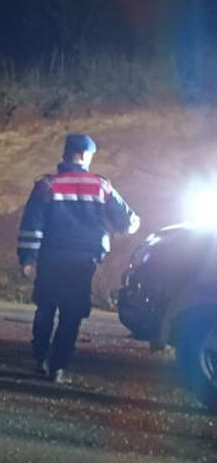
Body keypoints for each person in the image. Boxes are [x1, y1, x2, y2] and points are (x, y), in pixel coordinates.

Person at [18, 133, 138, 383]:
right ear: (84, 156)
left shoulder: (47, 185)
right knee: (71, 314)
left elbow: (32, 225)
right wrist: (121, 229)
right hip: (84, 261)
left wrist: (28, 258)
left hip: (51, 257)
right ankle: (58, 367)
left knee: (46, 307)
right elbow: (129, 221)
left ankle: (40, 357)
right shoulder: (101, 185)